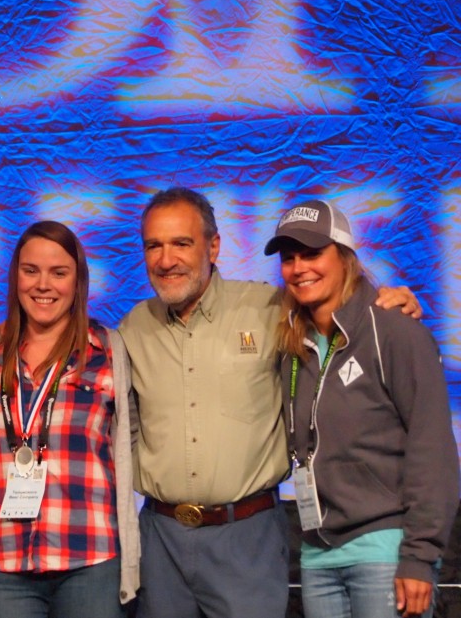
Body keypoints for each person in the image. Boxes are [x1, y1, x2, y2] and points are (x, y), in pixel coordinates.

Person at [118, 186, 422, 618]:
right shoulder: (132, 328)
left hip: (247, 537)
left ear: (214, 246)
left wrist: (392, 302)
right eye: (154, 246)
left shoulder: (271, 308)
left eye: (182, 243)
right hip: (160, 539)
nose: (167, 260)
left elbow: (338, 300)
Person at [265, 198, 459, 618]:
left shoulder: (394, 331)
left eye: (313, 253)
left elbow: (434, 451)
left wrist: (420, 556)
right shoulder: (291, 347)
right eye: (289, 258)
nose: (300, 268)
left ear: (345, 256)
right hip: (318, 557)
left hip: (385, 552)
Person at [0, 221, 140, 617]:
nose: (43, 284)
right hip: (4, 563)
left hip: (89, 558)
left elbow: (127, 445)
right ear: (15, 277)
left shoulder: (108, 350)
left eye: (58, 273)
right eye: (31, 271)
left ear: (78, 281)